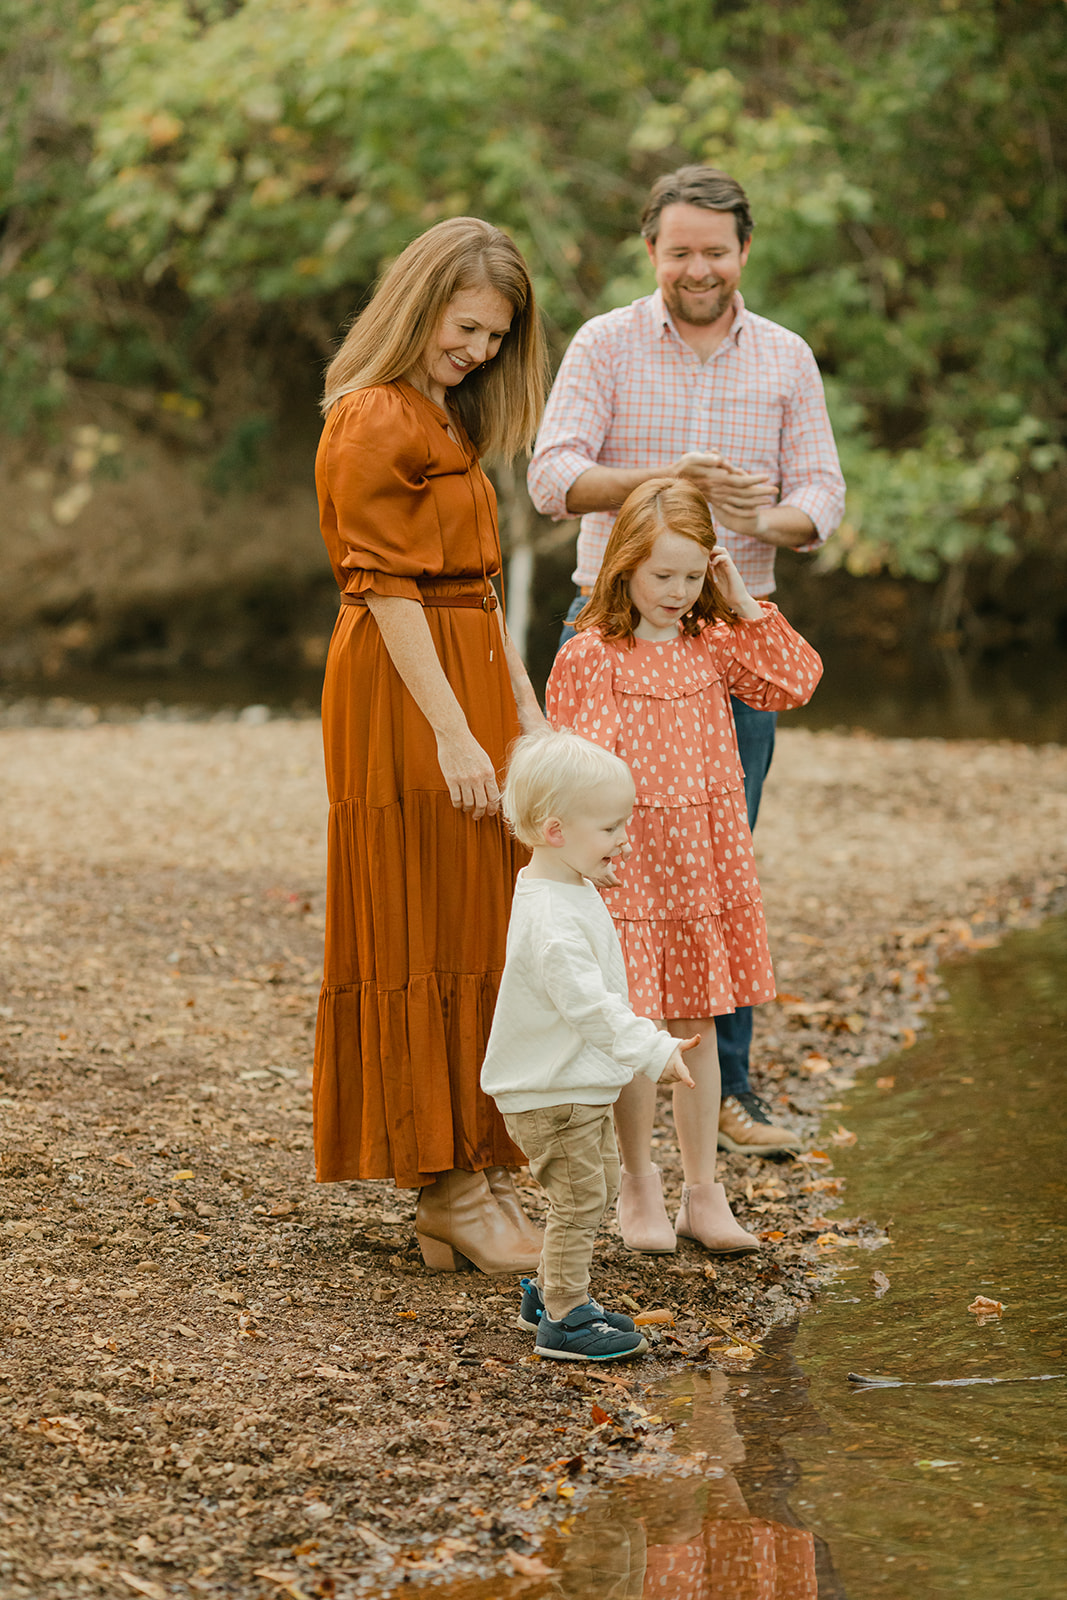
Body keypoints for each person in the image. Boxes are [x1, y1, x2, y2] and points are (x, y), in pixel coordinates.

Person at [528, 164, 845, 1156]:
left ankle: (729, 1094)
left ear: (742, 252)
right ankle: (594, 1078)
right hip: (611, 625)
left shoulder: (785, 357)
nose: (696, 267)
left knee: (719, 859)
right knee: (598, 861)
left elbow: (822, 500)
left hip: (729, 635)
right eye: (679, 251)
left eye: (714, 250)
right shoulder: (605, 343)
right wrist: (664, 480)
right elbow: (550, 476)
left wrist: (764, 518)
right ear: (651, 252)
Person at [313, 216, 552, 1277]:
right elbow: (387, 586)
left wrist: (524, 707)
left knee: (480, 914)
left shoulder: (443, 419)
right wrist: (454, 730)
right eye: (467, 328)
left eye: (496, 337)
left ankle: (481, 1161)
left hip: (463, 669)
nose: (479, 351)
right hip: (403, 685)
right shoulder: (370, 417)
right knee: (420, 912)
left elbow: (476, 588)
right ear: (419, 305)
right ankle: (443, 1182)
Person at [545, 478, 822, 1254]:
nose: (676, 592)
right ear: (623, 564)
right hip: (630, 870)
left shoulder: (716, 640)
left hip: (702, 864)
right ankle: (639, 1188)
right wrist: (589, 865)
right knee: (635, 1029)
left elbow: (796, 680)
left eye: (691, 576)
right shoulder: (590, 655)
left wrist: (738, 598)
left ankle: (704, 1194)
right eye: (660, 575)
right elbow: (582, 775)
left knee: (694, 1024)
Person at [480, 729, 699, 1361]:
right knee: (579, 1198)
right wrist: (653, 1049)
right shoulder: (553, 923)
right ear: (555, 831)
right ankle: (566, 1319)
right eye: (610, 829)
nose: (623, 840)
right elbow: (591, 1006)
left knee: (593, 1186)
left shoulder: (562, 887)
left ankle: (551, 1290)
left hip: (572, 1085)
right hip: (552, 1092)